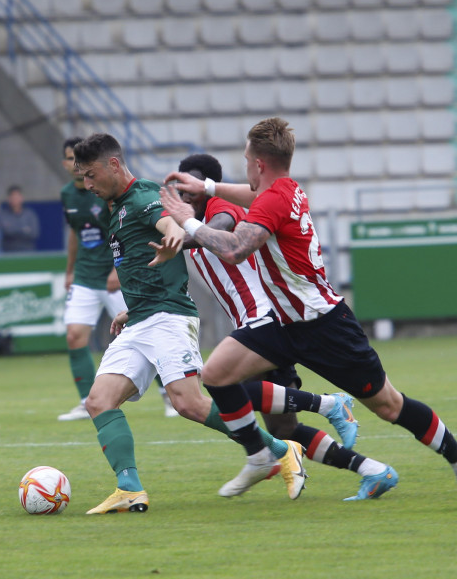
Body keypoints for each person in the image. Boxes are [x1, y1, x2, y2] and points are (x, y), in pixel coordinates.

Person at [160, 117, 457, 510]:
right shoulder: (284, 188)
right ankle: (261, 455)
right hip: (282, 324)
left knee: (388, 406)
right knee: (216, 375)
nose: (245, 169)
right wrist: (206, 188)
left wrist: (187, 219)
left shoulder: (274, 199)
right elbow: (249, 196)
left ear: (259, 164)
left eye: (247, 161)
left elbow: (234, 249)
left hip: (324, 326)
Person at [72, 133, 307, 514]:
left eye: (90, 174)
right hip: (142, 319)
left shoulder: (145, 197)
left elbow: (173, 226)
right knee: (99, 401)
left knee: (190, 404)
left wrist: (176, 237)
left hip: (167, 319)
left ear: (113, 165)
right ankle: (129, 488)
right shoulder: (114, 207)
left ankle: (281, 451)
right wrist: (130, 308)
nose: (87, 184)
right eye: (82, 177)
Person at [176, 152, 398, 501]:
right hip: (255, 322)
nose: (184, 194)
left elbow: (220, 227)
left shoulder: (221, 209)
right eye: (180, 186)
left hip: (265, 319)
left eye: (190, 186)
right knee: (283, 428)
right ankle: (373, 470)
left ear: (205, 186)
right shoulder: (190, 223)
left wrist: (183, 231)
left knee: (225, 386)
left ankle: (326, 405)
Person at [57, 137, 176, 421]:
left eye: (82, 163)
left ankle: (168, 395)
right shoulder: (68, 195)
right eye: (70, 159)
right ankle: (87, 401)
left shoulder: (107, 191)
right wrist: (70, 269)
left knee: (143, 331)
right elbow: (74, 232)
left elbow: (125, 230)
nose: (77, 168)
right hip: (85, 275)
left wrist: (115, 269)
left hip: (113, 275)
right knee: (74, 335)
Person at [0, 185, 40, 252]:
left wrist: (13, 228)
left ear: (21, 198)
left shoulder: (30, 214)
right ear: (9, 199)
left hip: (28, 253)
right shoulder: (3, 215)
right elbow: (6, 231)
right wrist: (24, 229)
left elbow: (34, 234)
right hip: (9, 253)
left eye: (17, 196)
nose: (15, 199)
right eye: (13, 196)